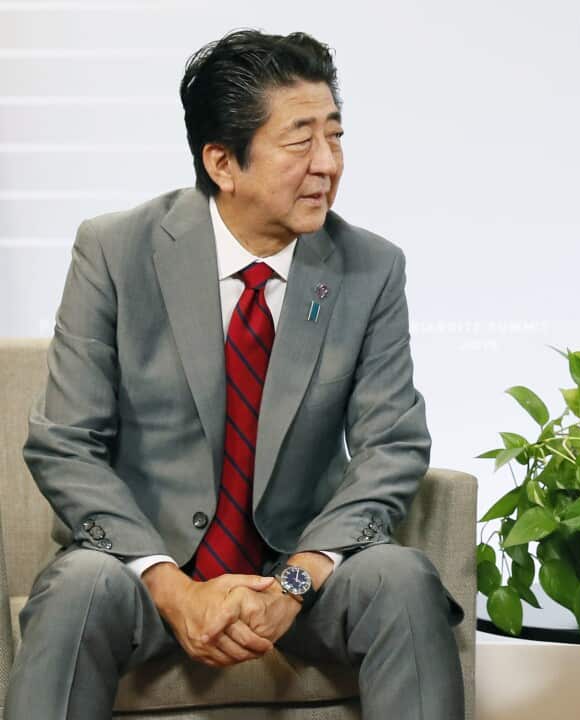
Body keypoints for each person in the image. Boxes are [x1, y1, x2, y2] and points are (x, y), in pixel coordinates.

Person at [7, 29, 464, 719]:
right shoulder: (115, 250)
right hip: (144, 567)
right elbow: (66, 444)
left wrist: (296, 582)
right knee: (79, 589)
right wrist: (172, 587)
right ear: (222, 161)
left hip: (300, 570)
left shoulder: (370, 268)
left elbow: (391, 446)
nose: (327, 165)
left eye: (335, 136)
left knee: (402, 579)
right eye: (300, 140)